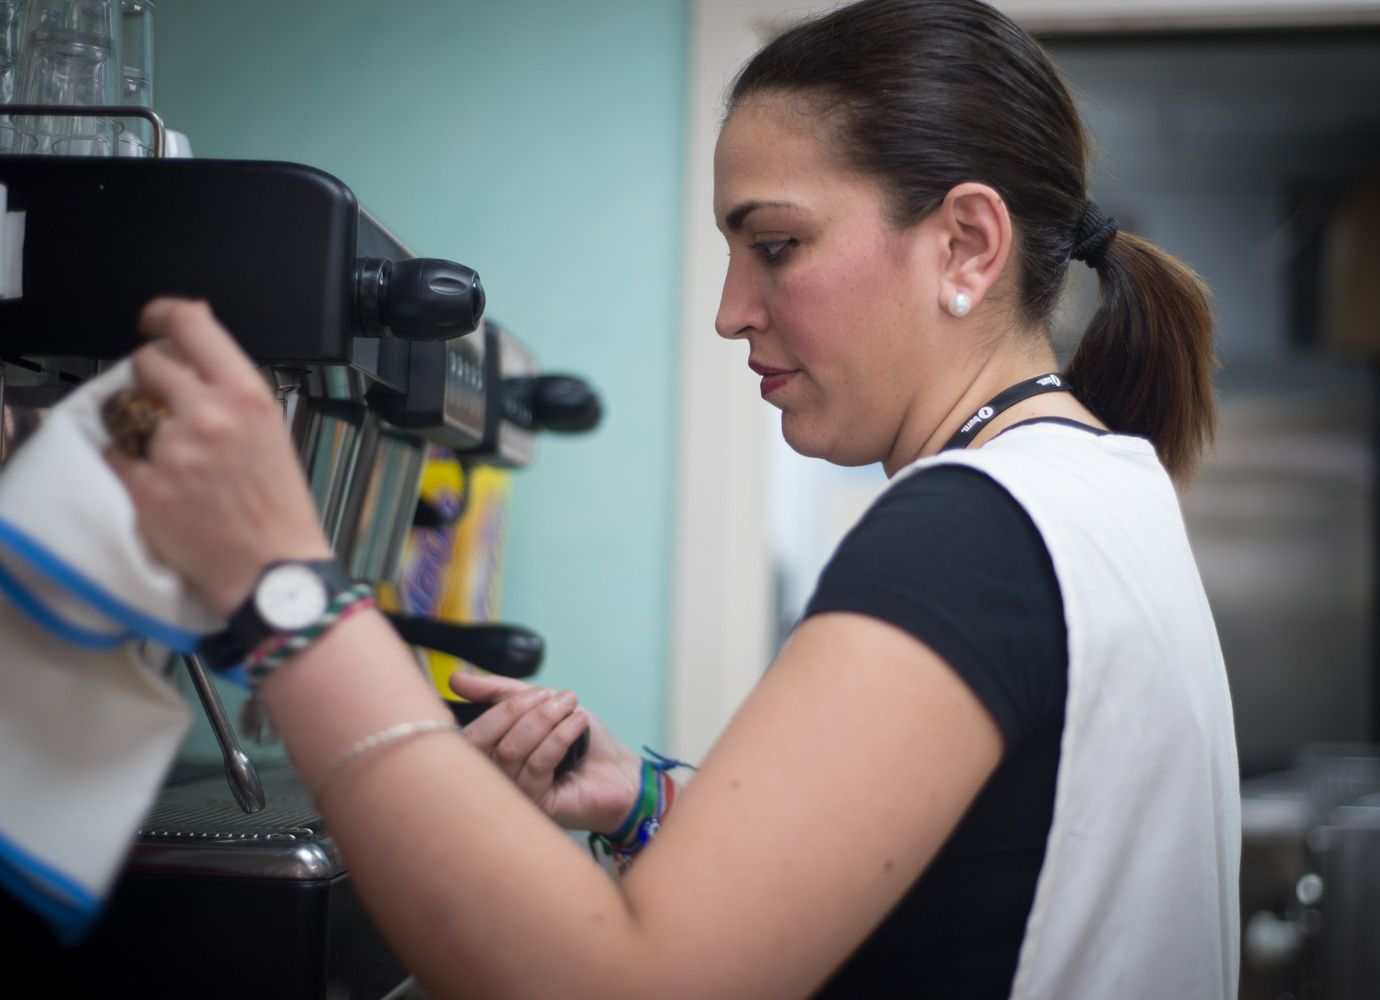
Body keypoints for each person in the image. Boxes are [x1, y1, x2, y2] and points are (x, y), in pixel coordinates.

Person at [106, 0, 1239, 996]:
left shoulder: (969, 531)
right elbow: (973, 885)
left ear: (966, 245)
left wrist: (289, 596)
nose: (731, 310)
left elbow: (623, 984)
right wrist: (650, 803)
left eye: (777, 244)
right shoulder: (1098, 486)